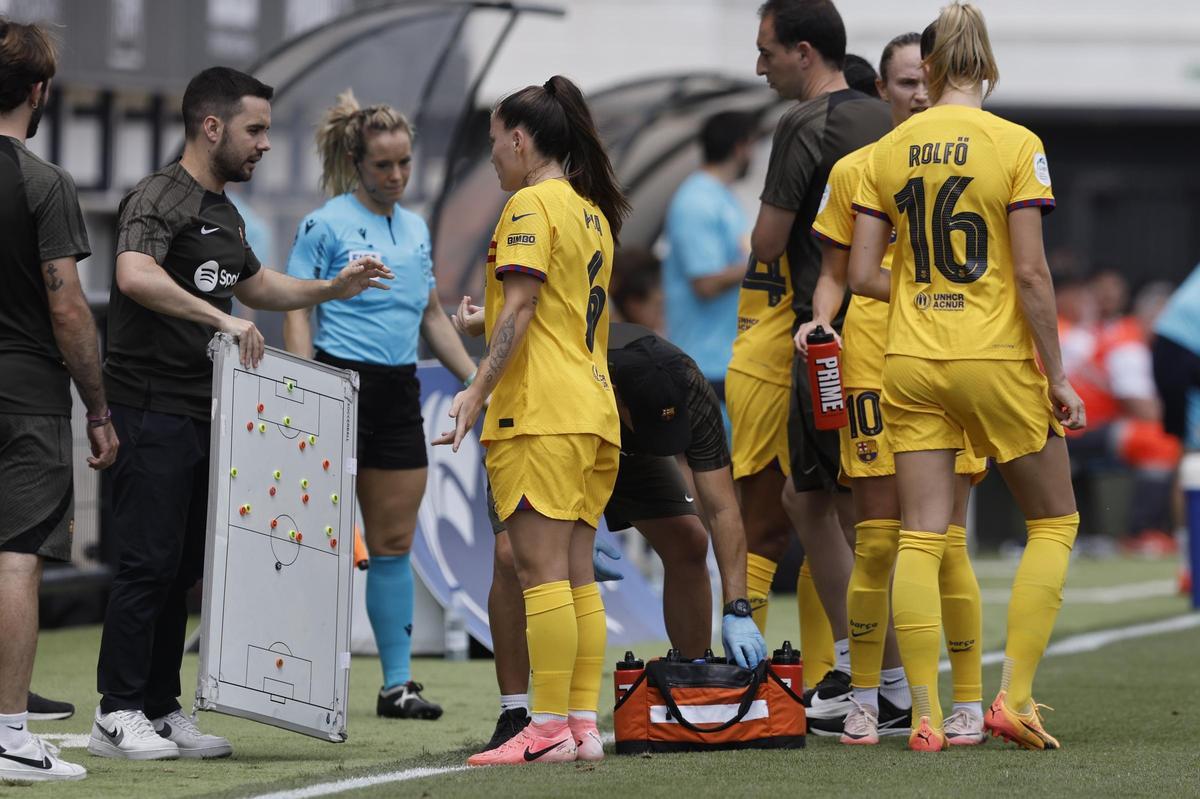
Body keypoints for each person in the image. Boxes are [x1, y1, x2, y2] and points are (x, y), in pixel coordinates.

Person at [92, 66, 390, 761]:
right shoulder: (158, 195)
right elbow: (134, 273)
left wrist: (332, 287)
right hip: (148, 407)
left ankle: (160, 710)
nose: (264, 144)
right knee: (146, 563)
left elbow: (256, 284)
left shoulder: (223, 211)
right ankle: (115, 711)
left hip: (205, 413)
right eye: (255, 129)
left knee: (182, 565)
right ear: (213, 126)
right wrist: (216, 321)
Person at [847, 2, 1085, 751]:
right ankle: (1011, 696)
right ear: (986, 63)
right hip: (994, 358)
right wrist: (1059, 373)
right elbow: (1032, 273)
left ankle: (922, 715)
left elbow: (860, 272)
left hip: (912, 359)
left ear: (934, 65)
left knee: (920, 535)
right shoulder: (1016, 142)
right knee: (1055, 519)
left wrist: (921, 294)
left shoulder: (887, 150)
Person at [796, 31, 987, 745]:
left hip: (955, 359)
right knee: (876, 540)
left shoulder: (977, 156)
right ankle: (871, 700)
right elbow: (834, 272)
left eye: (924, 80)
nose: (915, 93)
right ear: (880, 90)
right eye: (903, 82)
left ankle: (965, 701)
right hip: (875, 362)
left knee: (948, 543)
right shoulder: (856, 169)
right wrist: (820, 322)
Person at [433, 75, 629, 767]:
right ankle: (578, 724)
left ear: (520, 140)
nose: (491, 157)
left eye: (493, 142)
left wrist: (476, 390)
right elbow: (551, 307)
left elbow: (520, 312)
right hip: (593, 412)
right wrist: (486, 315)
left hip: (540, 412)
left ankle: (543, 727)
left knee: (541, 575)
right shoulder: (590, 211)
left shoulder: (527, 204)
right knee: (576, 576)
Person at [457, 321, 767, 756]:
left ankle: (692, 686)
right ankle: (515, 713)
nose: (664, 443)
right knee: (513, 557)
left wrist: (738, 606)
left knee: (689, 541)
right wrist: (579, 528)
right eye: (654, 433)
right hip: (555, 423)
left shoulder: (690, 387)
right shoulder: (578, 373)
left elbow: (722, 506)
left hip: (620, 440)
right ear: (619, 397)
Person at [283, 89, 476, 720]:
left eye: (404, 164)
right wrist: (309, 384)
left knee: (392, 542)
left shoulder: (416, 227)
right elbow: (296, 306)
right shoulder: (325, 223)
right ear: (356, 162)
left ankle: (397, 687)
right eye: (382, 166)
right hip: (339, 384)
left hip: (397, 392)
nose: (395, 177)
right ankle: (293, 672)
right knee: (318, 540)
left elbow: (431, 316)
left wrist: (478, 378)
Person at [734, 0, 891, 706]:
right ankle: (893, 679)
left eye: (765, 50)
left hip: (827, 337)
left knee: (815, 501)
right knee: (887, 515)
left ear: (804, 51)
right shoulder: (887, 120)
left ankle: (878, 680)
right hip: (908, 330)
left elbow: (766, 244)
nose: (759, 64)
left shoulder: (804, 122)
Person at [0, 18, 118, 782]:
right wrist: (99, 410)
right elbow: (70, 310)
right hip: (24, 399)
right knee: (15, 559)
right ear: (40, 91)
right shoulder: (42, 183)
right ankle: (9, 733)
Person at [661, 111, 756, 403]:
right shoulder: (696, 201)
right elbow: (705, 283)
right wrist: (764, 259)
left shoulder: (722, 196)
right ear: (740, 147)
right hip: (704, 365)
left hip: (726, 364)